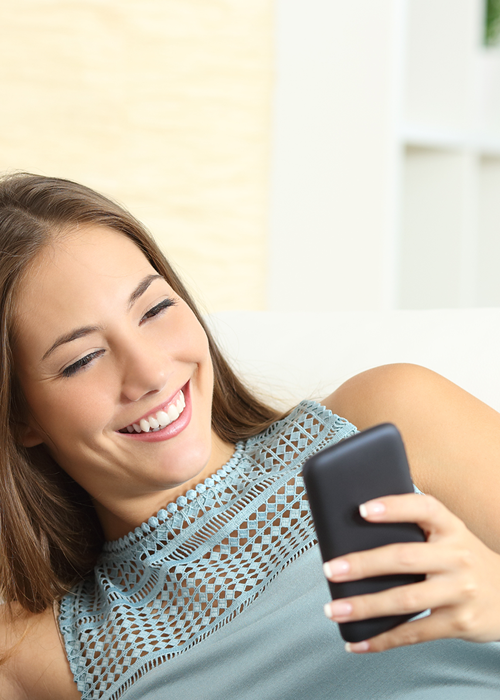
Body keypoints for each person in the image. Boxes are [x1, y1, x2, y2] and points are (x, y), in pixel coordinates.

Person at [1, 172, 500, 700]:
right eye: (82, 359)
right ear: (20, 417)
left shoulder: (388, 415)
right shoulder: (30, 655)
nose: (150, 372)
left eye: (155, 309)